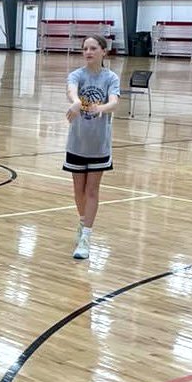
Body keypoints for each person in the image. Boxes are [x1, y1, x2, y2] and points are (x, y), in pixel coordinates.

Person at [64, 35, 120, 260]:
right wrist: (76, 102)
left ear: (103, 51)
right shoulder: (77, 75)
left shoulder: (111, 78)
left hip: (99, 145)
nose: (88, 52)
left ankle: (86, 236)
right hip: (77, 143)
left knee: (92, 191)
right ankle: (83, 222)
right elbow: (71, 90)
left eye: (93, 48)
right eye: (85, 48)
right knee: (78, 192)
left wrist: (103, 108)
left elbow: (115, 101)